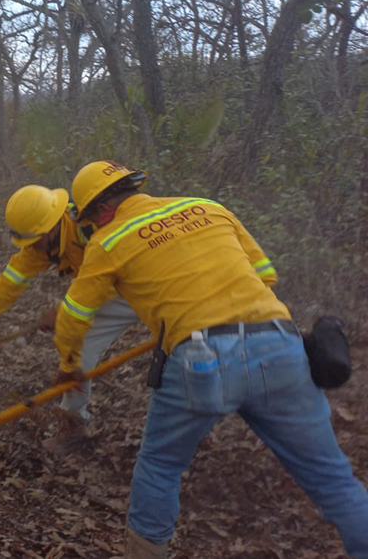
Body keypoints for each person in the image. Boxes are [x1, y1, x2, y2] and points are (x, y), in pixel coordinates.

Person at [52, 160, 368, 559]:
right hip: (278, 345)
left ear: (98, 212)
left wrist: (68, 364)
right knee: (334, 480)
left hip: (200, 359)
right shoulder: (208, 207)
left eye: (89, 222)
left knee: (161, 467)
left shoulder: (108, 242)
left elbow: (74, 316)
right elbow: (266, 275)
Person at [0, 184, 139, 425]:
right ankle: (73, 424)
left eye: (35, 240)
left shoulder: (92, 225)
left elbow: (114, 275)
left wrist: (65, 312)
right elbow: (3, 289)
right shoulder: (38, 247)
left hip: (141, 281)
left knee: (180, 344)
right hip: (107, 292)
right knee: (76, 351)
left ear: (52, 227)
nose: (31, 247)